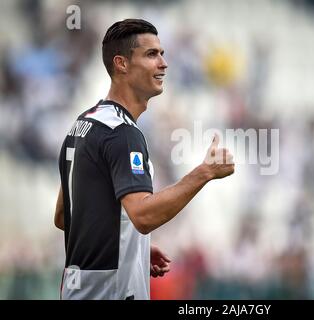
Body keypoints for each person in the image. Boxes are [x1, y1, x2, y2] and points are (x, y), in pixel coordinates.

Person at [53, 19, 235, 300]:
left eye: (162, 54)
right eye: (152, 54)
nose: (163, 64)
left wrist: (130, 248)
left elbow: (66, 216)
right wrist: (205, 173)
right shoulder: (123, 134)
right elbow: (143, 216)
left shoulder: (83, 124)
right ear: (122, 64)